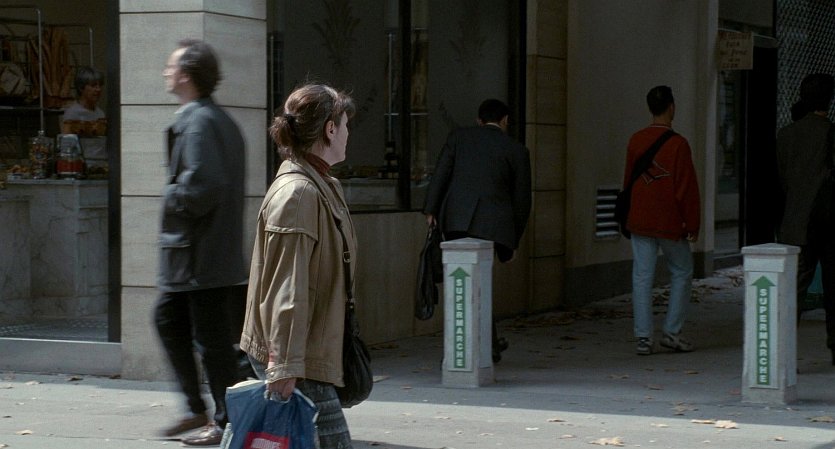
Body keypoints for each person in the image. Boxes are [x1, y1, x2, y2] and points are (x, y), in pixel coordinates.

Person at [240, 83, 357, 449]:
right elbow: (287, 289)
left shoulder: (322, 184)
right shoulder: (299, 193)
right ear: (330, 129)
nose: (348, 133)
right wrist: (284, 366)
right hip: (297, 356)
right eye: (345, 124)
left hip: (306, 351)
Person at [154, 39, 246, 446]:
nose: (166, 71)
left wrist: (171, 196)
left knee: (213, 343)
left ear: (186, 75)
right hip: (204, 253)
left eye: (171, 66)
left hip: (198, 254)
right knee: (171, 321)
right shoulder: (216, 119)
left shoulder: (199, 122)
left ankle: (225, 421)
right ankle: (198, 409)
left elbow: (204, 186)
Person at [423, 98, 532, 363]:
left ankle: (474, 344)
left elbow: (441, 174)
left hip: (456, 219)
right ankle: (484, 344)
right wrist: (513, 242)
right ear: (505, 121)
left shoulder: (458, 138)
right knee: (480, 283)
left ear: (478, 120)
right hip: (493, 225)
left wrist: (431, 210)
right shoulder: (516, 149)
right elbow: (522, 200)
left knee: (462, 282)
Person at [623, 85, 700, 356]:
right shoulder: (679, 144)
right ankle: (672, 331)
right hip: (668, 221)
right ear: (671, 107)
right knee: (682, 270)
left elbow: (628, 181)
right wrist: (692, 224)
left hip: (640, 218)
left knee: (642, 276)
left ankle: (643, 338)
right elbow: (686, 188)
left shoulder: (635, 140)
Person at [776, 73, 835, 364]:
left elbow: (783, 179)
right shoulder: (831, 133)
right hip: (829, 222)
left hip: (797, 222)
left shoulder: (786, 135)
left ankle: (784, 353)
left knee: (794, 290)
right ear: (829, 100)